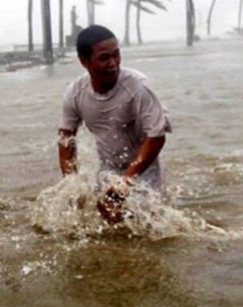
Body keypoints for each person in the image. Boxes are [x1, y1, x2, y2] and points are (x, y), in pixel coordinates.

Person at [58, 25, 171, 223]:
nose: (113, 63)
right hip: (109, 167)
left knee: (148, 224)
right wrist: (72, 183)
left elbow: (157, 136)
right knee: (107, 223)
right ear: (84, 61)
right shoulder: (76, 92)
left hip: (143, 167)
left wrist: (126, 181)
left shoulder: (137, 86)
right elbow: (65, 138)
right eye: (104, 58)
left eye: (116, 55)